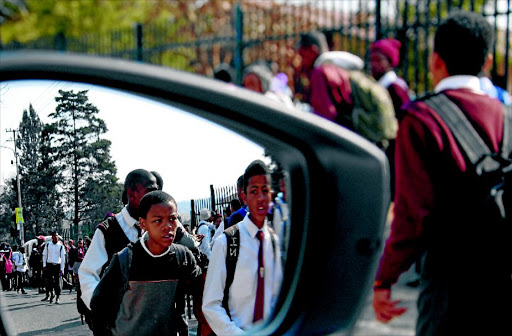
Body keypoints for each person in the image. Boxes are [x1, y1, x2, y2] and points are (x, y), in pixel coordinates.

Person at [372, 10, 511, 336]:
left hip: (450, 282)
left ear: (436, 60)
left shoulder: (421, 119)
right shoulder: (508, 117)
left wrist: (385, 278)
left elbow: (411, 214)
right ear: (487, 61)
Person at [91, 190, 202, 336]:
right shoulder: (125, 259)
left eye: (172, 219)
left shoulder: (182, 257)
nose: (167, 226)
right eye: (158, 220)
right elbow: (99, 305)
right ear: (143, 224)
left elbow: (203, 293)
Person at [202, 160, 283, 335]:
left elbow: (276, 295)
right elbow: (210, 304)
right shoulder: (227, 242)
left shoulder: (273, 242)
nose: (260, 198)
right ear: (244, 197)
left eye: (265, 191)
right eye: (254, 191)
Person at [79, 169, 159, 312]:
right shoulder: (108, 230)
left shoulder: (161, 226)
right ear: (131, 194)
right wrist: (101, 307)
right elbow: (88, 273)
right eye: (150, 192)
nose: (155, 197)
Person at [370, 38, 411, 122]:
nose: (374, 64)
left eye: (378, 59)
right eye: (372, 60)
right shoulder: (381, 85)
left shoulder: (395, 88)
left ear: (390, 62)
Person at [42, 231, 66, 304]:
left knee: (57, 282)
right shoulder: (48, 245)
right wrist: (44, 265)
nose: (56, 237)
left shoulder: (61, 246)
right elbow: (44, 255)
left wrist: (62, 269)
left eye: (57, 236)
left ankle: (57, 297)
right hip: (49, 265)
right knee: (49, 282)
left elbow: (63, 258)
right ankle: (51, 294)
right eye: (54, 236)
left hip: (57, 265)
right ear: (52, 237)